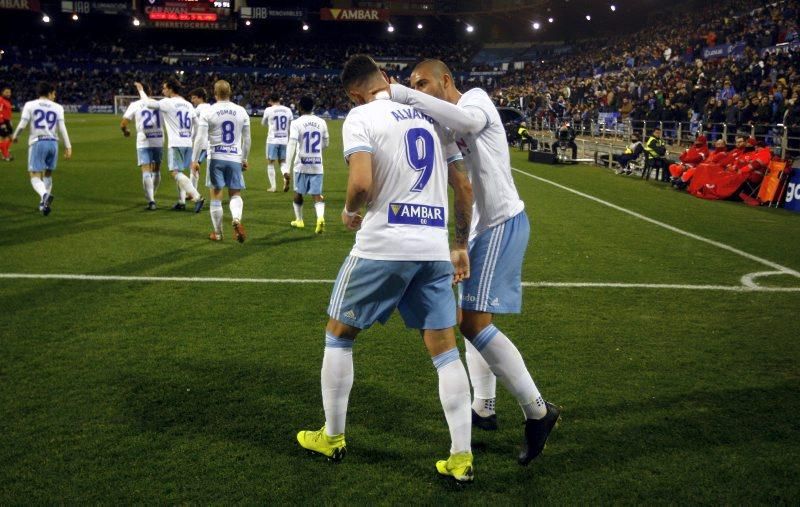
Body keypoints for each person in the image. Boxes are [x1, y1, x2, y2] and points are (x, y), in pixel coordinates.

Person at [296, 55, 476, 484]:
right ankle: (461, 457)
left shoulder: (360, 117)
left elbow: (360, 184)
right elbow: (464, 186)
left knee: (338, 335)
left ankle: (333, 437)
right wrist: (459, 244)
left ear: (355, 94)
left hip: (383, 246)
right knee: (446, 351)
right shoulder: (431, 118)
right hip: (433, 249)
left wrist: (347, 211)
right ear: (386, 79)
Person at [390, 59, 560, 466]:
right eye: (414, 84)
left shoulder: (476, 101)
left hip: (503, 222)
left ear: (446, 80)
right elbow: (460, 185)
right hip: (482, 230)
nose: (420, 89)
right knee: (470, 319)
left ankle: (538, 411)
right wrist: (459, 242)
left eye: (424, 83)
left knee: (471, 323)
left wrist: (402, 92)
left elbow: (467, 124)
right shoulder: (443, 125)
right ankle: (484, 407)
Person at [191, 80, 251, 243]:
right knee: (235, 194)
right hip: (234, 157)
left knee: (216, 196)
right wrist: (244, 159)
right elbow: (247, 139)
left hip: (215, 157)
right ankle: (236, 219)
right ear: (230, 92)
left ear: (215, 93)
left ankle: (218, 233)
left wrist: (195, 159)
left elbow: (200, 138)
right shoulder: (241, 111)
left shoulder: (209, 111)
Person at [135, 79, 205, 213]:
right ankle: (181, 201)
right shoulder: (188, 104)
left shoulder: (168, 102)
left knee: (175, 172)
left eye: (164, 88)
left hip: (176, 143)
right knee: (181, 172)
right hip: (187, 143)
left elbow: (147, 103)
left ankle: (197, 197)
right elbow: (196, 124)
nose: (163, 91)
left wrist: (141, 90)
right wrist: (191, 137)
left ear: (171, 89)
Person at [11, 81, 72, 215]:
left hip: (38, 142)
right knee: (48, 174)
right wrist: (68, 146)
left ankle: (44, 195)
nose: (55, 96)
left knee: (34, 175)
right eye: (54, 93)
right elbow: (62, 128)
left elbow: (22, 124)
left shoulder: (30, 105)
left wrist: (15, 136)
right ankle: (43, 205)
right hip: (53, 144)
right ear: (49, 93)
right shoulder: (58, 107)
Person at [286, 95, 330, 233]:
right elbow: (326, 143)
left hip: (301, 164)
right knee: (317, 194)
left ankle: (299, 220)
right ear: (313, 107)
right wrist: (316, 151)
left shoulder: (296, 123)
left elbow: (292, 144)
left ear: (299, 107)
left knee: (298, 193)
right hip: (317, 164)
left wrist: (286, 167)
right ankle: (320, 218)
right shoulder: (321, 122)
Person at [121, 83, 164, 210]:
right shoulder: (159, 104)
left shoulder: (135, 105)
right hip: (158, 139)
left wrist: (125, 131)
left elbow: (123, 123)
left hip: (143, 139)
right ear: (150, 91)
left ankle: (151, 200)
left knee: (146, 170)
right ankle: (153, 195)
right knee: (156, 170)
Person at [261, 94, 293, 192]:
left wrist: (270, 124)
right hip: (284, 139)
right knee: (282, 162)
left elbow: (263, 123)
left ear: (270, 100)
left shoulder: (268, 110)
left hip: (272, 139)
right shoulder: (288, 110)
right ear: (279, 99)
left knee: (270, 163)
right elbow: (290, 124)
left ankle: (273, 187)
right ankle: (285, 174)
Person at [189, 87, 211, 198]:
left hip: (200, 143)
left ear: (200, 98)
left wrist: (190, 139)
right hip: (209, 144)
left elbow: (194, 127)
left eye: (194, 98)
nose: (192, 100)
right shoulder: (211, 108)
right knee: (196, 166)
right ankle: (192, 191)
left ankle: (193, 193)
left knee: (193, 165)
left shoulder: (198, 109)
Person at [0, 87, 13, 161]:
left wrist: (10, 121)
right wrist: (2, 123)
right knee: (5, 138)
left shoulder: (7, 101)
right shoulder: (1, 100)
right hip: (2, 121)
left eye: (9, 92)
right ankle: (6, 156)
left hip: (7, 121)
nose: (8, 94)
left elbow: (8, 112)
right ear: (2, 92)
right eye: (6, 92)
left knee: (10, 137)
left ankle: (5, 152)